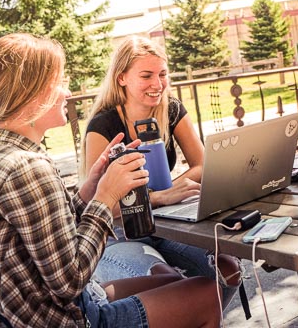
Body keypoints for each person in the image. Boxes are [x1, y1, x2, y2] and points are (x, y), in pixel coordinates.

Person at [0, 33, 221, 327]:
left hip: (42, 308)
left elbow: (47, 236)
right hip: (65, 317)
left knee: (170, 284)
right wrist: (105, 198)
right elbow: (70, 280)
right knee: (205, 293)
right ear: (33, 93)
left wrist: (86, 196)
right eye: (60, 82)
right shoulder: (26, 168)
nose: (68, 92)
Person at [82, 35, 241, 307]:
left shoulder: (171, 109)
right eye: (146, 76)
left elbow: (203, 165)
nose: (158, 84)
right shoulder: (103, 126)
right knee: (166, 281)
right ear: (122, 78)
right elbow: (95, 205)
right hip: (120, 234)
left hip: (167, 225)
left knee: (229, 270)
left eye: (163, 74)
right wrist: (159, 196)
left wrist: (170, 193)